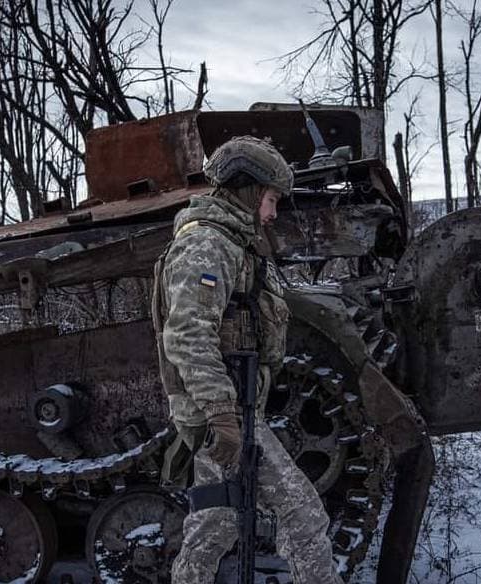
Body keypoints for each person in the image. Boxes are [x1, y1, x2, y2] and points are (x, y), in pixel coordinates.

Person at [151, 136, 343, 584]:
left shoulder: (233, 244)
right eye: (271, 199)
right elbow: (188, 335)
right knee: (302, 514)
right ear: (248, 190)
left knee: (214, 524)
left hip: (232, 412)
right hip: (225, 415)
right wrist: (221, 413)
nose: (273, 212)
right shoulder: (207, 245)